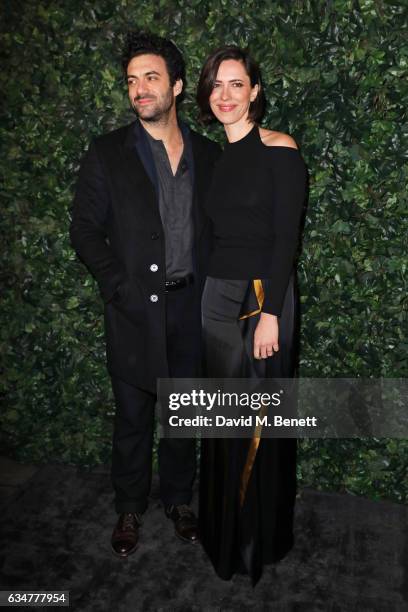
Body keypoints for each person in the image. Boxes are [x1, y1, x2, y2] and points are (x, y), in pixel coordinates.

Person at [70, 31, 220, 558]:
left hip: (191, 308)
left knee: (182, 417)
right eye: (132, 81)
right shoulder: (108, 153)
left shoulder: (210, 154)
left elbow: (225, 231)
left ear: (176, 86)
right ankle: (129, 507)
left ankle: (179, 500)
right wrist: (118, 287)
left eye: (151, 77)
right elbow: (85, 230)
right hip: (134, 310)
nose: (139, 89)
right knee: (132, 417)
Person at [196, 46, 307, 584]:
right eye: (216, 84)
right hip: (216, 300)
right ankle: (222, 534)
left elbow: (286, 239)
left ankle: (257, 541)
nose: (225, 94)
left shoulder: (280, 149)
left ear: (255, 91)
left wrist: (271, 316)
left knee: (257, 421)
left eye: (236, 84)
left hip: (262, 299)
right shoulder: (215, 159)